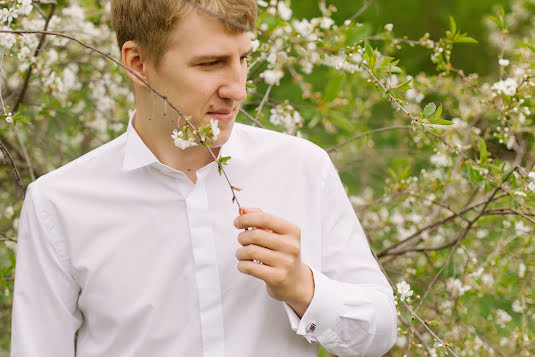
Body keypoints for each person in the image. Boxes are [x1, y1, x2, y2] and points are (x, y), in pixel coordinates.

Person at [10, 1, 397, 356]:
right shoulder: (58, 204)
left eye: (243, 58)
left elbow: (380, 331)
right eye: (210, 63)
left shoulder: (302, 167)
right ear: (138, 62)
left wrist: (303, 289)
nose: (239, 90)